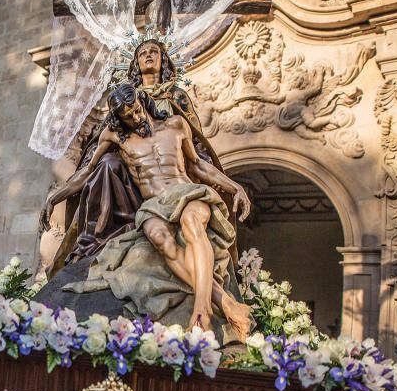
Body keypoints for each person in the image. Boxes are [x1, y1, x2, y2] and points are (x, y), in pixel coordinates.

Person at [42, 83, 254, 338]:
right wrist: (56, 196)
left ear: (142, 101)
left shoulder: (176, 124)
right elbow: (86, 172)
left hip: (187, 193)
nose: (135, 117)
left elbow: (198, 166)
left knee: (191, 223)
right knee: (160, 239)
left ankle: (202, 310)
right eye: (127, 116)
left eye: (136, 109)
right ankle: (224, 301)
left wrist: (235, 187)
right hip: (153, 205)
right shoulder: (114, 136)